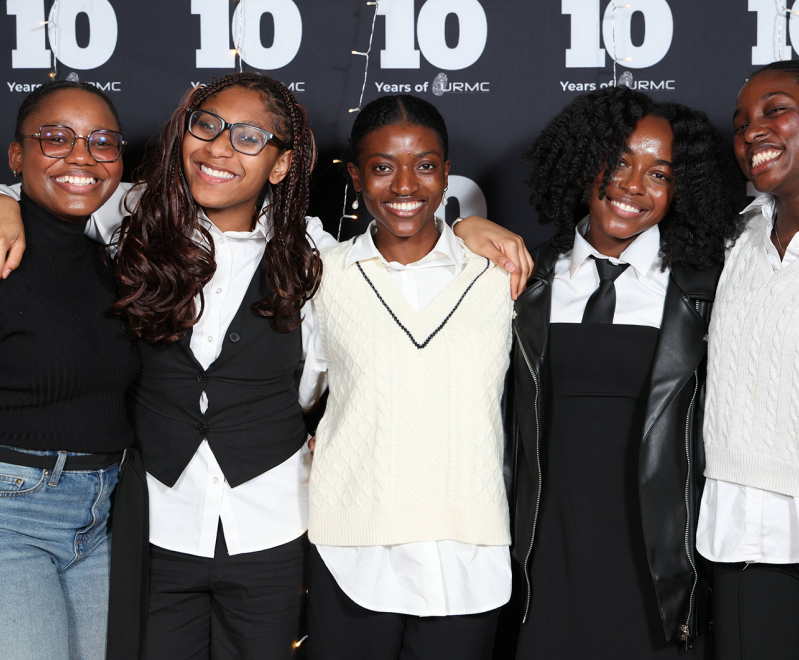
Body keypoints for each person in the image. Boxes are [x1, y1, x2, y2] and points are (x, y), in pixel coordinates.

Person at [0, 76, 532, 660]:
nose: (221, 147)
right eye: (206, 127)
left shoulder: (314, 256)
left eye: (250, 137)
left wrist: (464, 229)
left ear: (280, 166)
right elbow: (59, 192)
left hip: (271, 526)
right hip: (154, 524)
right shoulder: (129, 217)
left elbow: (377, 287)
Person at [509, 86, 744, 659]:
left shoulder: (709, 288)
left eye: (659, 174)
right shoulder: (521, 278)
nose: (634, 186)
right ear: (582, 160)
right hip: (544, 553)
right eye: (618, 162)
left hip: (657, 559)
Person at [305, 94, 514, 660]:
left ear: (447, 173)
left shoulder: (501, 276)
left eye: (424, 165)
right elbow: (296, 394)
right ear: (354, 176)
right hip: (352, 547)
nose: (405, 185)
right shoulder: (325, 277)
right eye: (382, 167)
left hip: (468, 550)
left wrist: (470, 227)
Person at [697, 59, 799, 660]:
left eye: (775, 110)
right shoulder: (726, 240)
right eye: (740, 123)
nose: (751, 131)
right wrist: (467, 230)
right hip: (742, 528)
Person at [0, 82, 139, 659]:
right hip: (12, 513)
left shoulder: (112, 257)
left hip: (102, 518)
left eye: (101, 141)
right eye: (55, 138)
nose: (82, 157)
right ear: (17, 156)